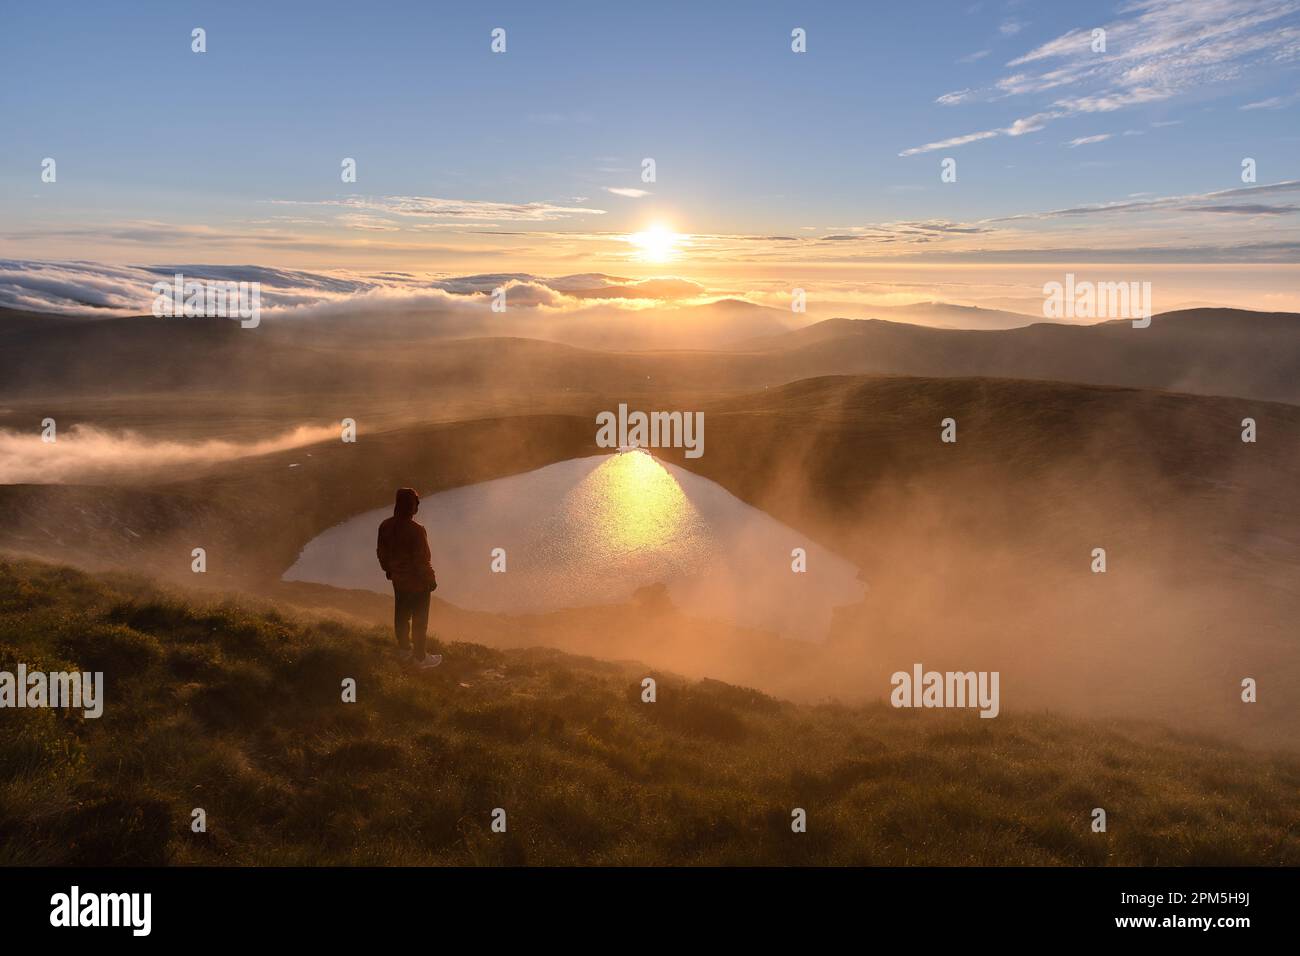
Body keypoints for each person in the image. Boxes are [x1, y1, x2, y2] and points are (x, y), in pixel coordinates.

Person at [376, 487, 443, 668]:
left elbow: (382, 553)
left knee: (401, 617)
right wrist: (431, 580)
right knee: (420, 621)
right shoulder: (417, 530)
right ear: (411, 505)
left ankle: (404, 651)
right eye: (416, 503)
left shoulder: (385, 526)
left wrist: (389, 571)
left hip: (399, 580)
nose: (418, 506)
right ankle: (420, 658)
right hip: (418, 583)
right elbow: (422, 560)